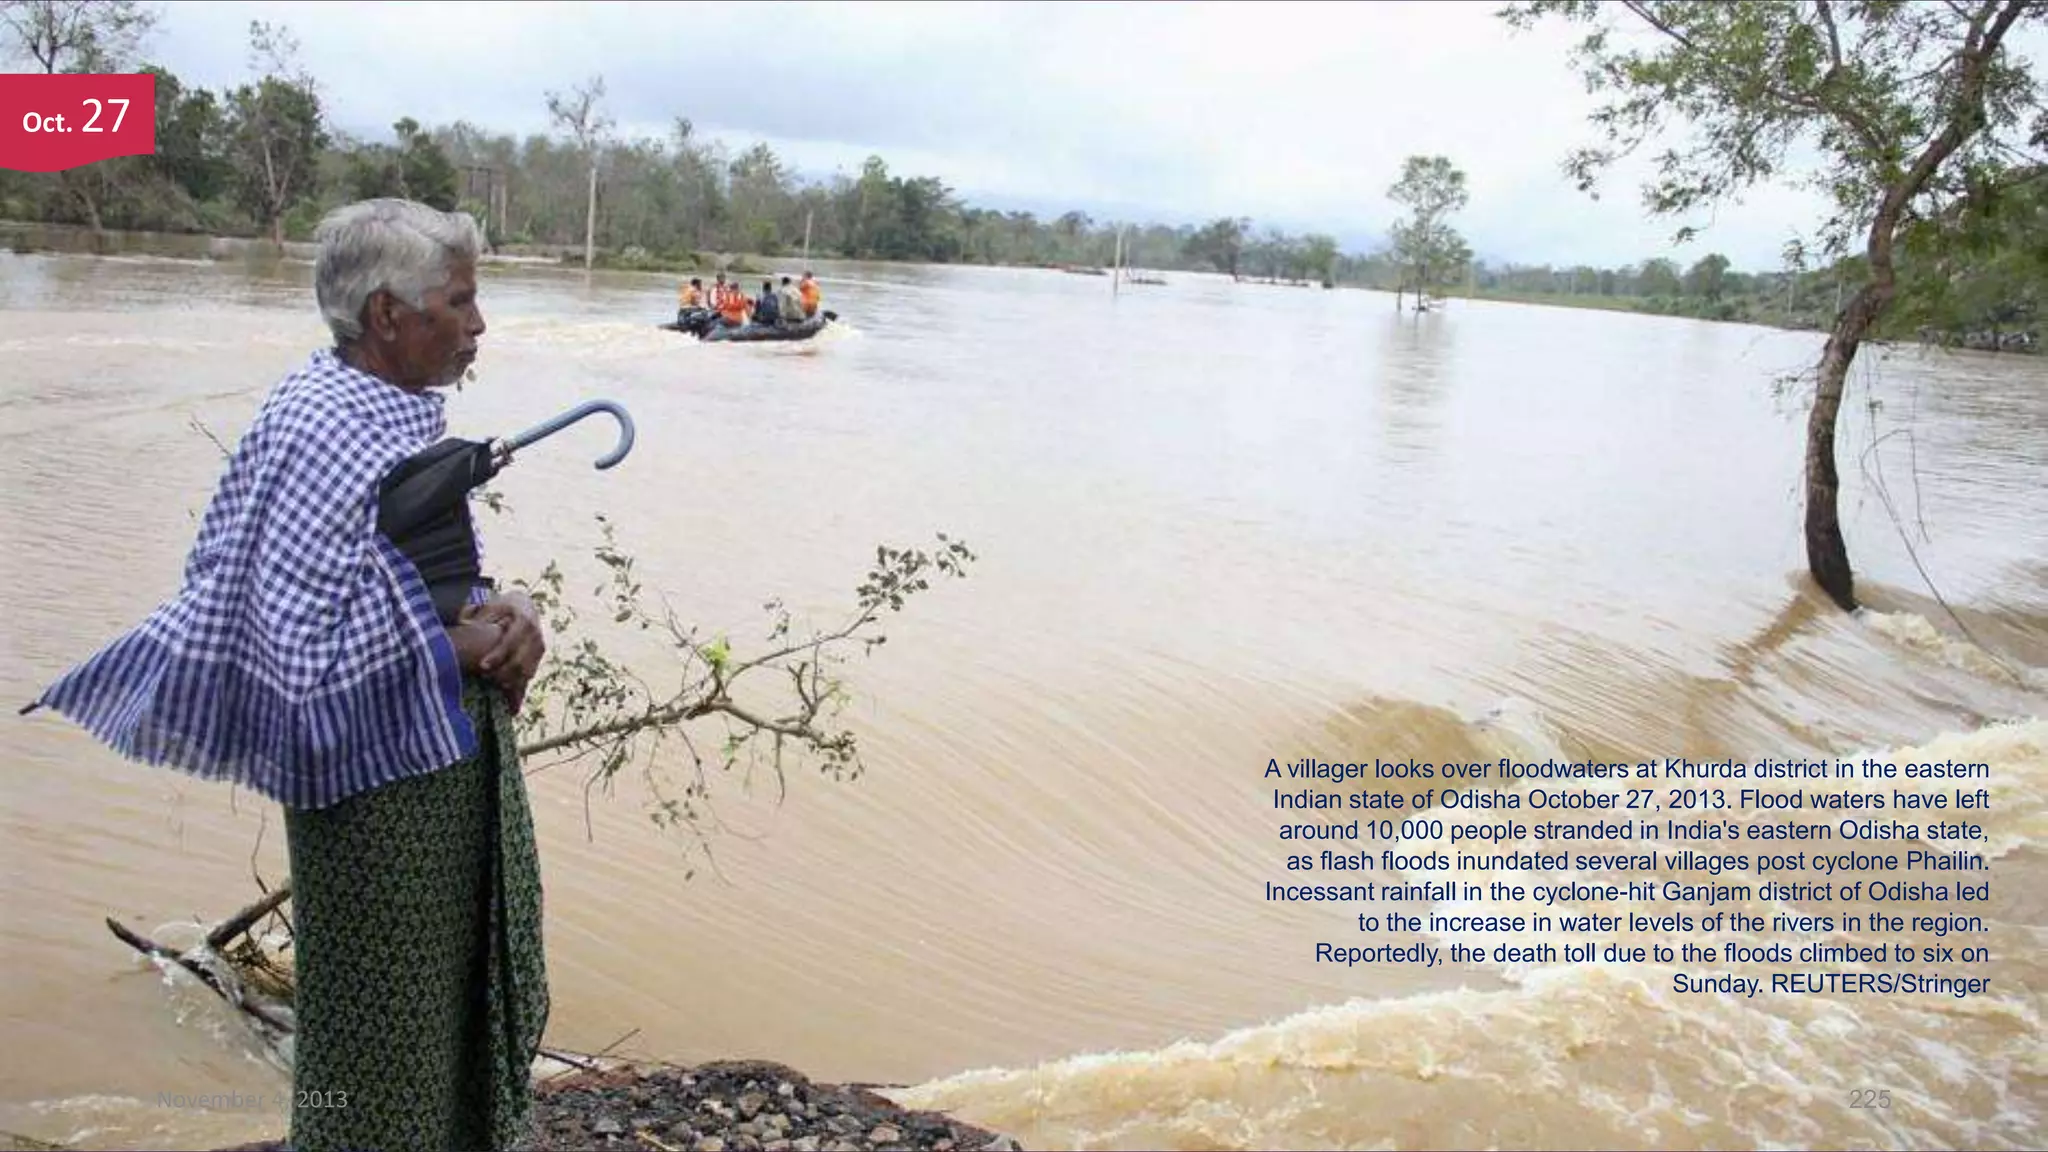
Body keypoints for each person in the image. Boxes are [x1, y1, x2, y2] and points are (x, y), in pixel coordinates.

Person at [25, 199, 551, 1151]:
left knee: (449, 1014)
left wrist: (508, 610)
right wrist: (458, 647)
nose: (478, 326)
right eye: (461, 302)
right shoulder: (318, 428)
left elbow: (404, 583)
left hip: (440, 769)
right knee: (377, 1048)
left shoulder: (380, 415)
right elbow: (295, 653)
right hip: (376, 798)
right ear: (388, 314)